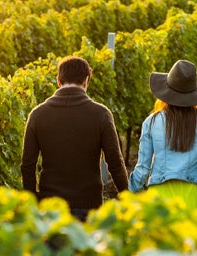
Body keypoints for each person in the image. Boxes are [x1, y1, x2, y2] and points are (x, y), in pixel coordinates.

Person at [21, 55, 129, 221]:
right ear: (86, 81)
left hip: (50, 207)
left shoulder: (37, 115)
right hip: (88, 207)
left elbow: (28, 165)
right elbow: (114, 161)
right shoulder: (101, 114)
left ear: (58, 80)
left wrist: (33, 202)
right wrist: (126, 195)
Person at [128, 59, 197, 209]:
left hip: (159, 199)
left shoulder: (151, 122)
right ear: (194, 94)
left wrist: (129, 191)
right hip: (192, 198)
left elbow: (143, 168)